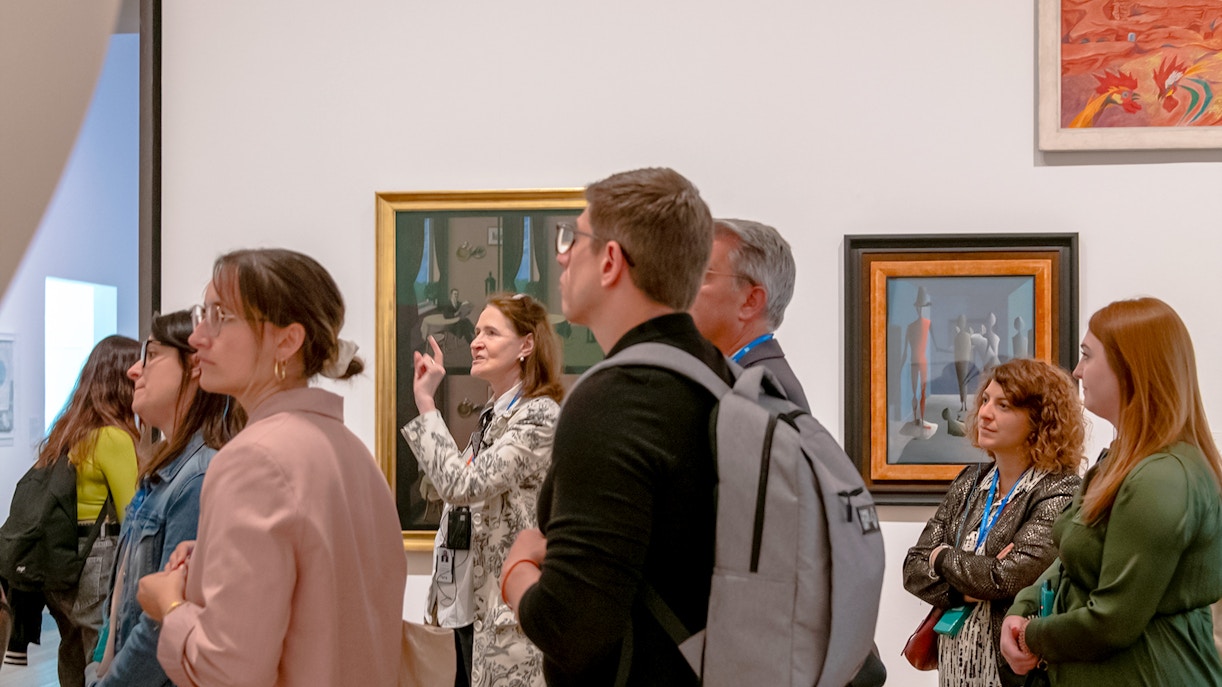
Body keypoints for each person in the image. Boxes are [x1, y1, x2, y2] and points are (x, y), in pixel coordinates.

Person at [498, 167, 731, 686]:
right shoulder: (721, 376)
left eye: (572, 238)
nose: (561, 254)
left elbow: (571, 629)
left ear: (610, 262)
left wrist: (516, 571)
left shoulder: (618, 399)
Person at [135, 248, 407, 687]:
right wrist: (206, 559)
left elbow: (228, 671)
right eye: (203, 314)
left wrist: (169, 606)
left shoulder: (253, 459)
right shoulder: (353, 453)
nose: (198, 337)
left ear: (287, 340)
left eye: (220, 316)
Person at [689, 217, 886, 687]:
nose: (684, 286)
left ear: (751, 299)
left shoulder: (761, 390)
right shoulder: (741, 377)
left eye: (702, 274)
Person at [1001, 297, 1222, 685]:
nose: (1077, 371)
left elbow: (1112, 621)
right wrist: (1024, 606)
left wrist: (1031, 635)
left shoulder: (1163, 478)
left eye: (1087, 356)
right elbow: (1070, 558)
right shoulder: (1119, 461)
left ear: (1130, 369)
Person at [401, 292, 562, 687]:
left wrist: (425, 403)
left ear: (527, 344)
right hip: (470, 609)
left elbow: (461, 484)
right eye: (476, 331)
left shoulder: (539, 415)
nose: (476, 341)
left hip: (509, 617)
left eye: (491, 332)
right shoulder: (494, 415)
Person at [904, 357, 1084, 686]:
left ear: (1040, 419)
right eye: (985, 400)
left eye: (1003, 405)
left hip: (1014, 674)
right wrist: (967, 591)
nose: (985, 413)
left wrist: (940, 556)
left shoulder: (1060, 491)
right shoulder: (970, 482)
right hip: (955, 671)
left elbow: (1006, 579)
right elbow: (913, 568)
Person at [90, 310, 245, 686]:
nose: (133, 370)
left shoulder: (199, 475)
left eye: (152, 354)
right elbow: (120, 606)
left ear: (194, 365)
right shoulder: (166, 470)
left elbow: (160, 625)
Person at [36, 335, 141, 687]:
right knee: (99, 655)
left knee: (71, 648)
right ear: (122, 380)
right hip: (97, 558)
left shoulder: (67, 431)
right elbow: (132, 516)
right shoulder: (113, 437)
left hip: (62, 559)